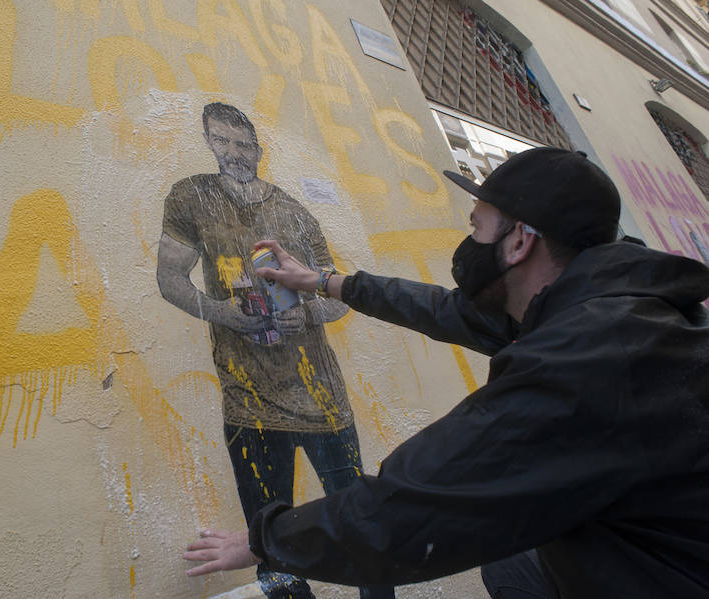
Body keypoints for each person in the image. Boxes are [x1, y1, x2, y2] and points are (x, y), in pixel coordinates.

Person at [182, 147, 709, 598]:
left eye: (476, 226)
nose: (469, 241)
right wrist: (321, 280)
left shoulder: (592, 357)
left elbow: (416, 504)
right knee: (514, 564)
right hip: (654, 536)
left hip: (672, 575)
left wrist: (262, 541)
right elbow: (442, 309)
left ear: (521, 241)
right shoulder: (604, 302)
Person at [157, 102, 393, 599]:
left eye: (243, 144)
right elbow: (169, 278)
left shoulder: (293, 209)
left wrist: (305, 313)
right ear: (208, 142)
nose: (234, 152)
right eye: (222, 141)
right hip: (249, 403)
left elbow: (338, 296)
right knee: (272, 547)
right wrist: (222, 314)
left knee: (360, 528)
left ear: (259, 150)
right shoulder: (191, 196)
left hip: (321, 400)